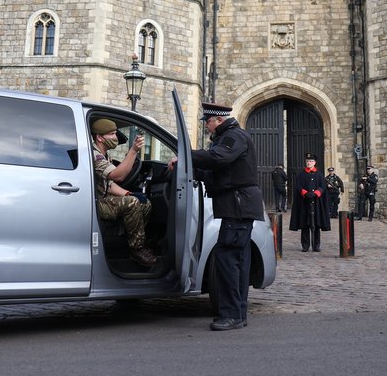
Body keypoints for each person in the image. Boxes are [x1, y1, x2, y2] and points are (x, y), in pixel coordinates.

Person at [173, 102, 264, 332]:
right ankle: (237, 313)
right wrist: (187, 168)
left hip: (238, 207)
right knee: (237, 261)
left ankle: (231, 315)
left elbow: (218, 159)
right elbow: (216, 171)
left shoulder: (233, 137)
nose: (207, 127)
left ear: (219, 120)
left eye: (209, 122)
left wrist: (186, 155)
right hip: (236, 206)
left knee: (227, 259)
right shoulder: (228, 138)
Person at [91, 118, 157, 268]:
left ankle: (133, 242)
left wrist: (128, 193)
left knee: (143, 203)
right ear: (100, 137)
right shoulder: (95, 156)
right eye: (112, 134)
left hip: (105, 197)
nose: (115, 138)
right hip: (96, 202)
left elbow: (110, 184)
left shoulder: (105, 154)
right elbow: (118, 175)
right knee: (132, 203)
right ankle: (137, 250)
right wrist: (133, 151)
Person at [289, 152, 331, 252]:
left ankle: (316, 245)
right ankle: (305, 245)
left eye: (311, 161)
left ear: (314, 162)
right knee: (305, 224)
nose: (309, 163)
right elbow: (298, 186)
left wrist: (316, 193)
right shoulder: (301, 174)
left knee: (316, 224)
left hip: (316, 202)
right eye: (308, 161)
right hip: (305, 203)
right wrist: (305, 193)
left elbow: (323, 186)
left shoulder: (319, 175)